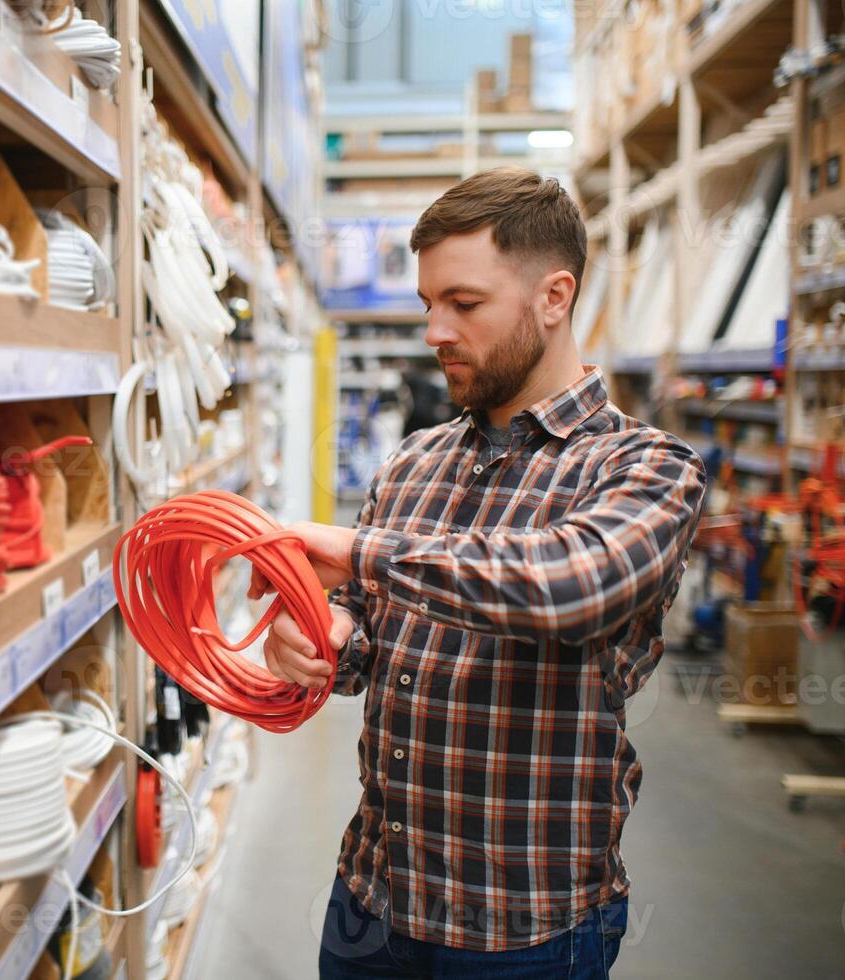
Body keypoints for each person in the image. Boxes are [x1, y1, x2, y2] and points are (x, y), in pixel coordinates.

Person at [254, 167, 706, 978]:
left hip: (524, 926)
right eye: (427, 304)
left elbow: (564, 586)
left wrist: (358, 553)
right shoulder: (413, 464)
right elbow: (363, 646)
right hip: (374, 897)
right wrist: (322, 637)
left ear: (553, 297)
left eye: (462, 304)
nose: (434, 330)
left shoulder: (645, 468)